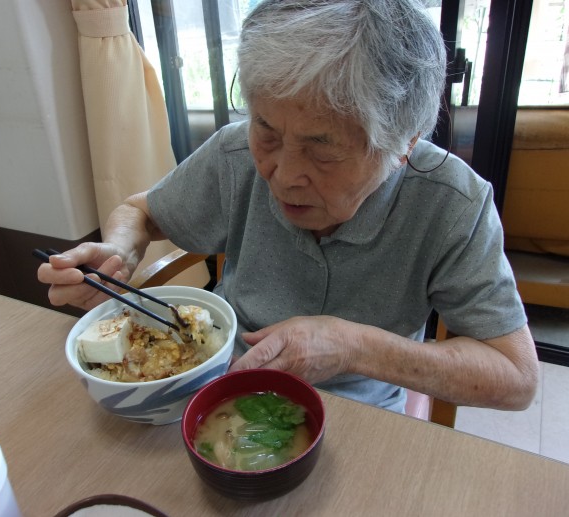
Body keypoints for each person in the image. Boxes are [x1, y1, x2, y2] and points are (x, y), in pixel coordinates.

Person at [38, 0, 538, 414]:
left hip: (359, 413)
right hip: (221, 382)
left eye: (323, 149)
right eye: (267, 131)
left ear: (402, 145)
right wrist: (120, 251)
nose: (282, 174)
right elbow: (141, 212)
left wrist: (354, 347)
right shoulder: (234, 153)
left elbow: (516, 378)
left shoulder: (453, 203)